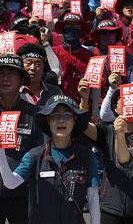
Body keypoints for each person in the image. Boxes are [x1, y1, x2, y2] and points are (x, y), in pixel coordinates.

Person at [0, 94, 100, 224]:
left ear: (75, 120)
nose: (61, 120)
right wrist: (1, 150)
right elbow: (11, 183)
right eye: (55, 115)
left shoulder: (86, 156)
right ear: (48, 120)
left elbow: (93, 198)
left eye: (67, 115)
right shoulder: (34, 156)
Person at [82, 83, 133, 224]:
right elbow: (82, 126)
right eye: (124, 99)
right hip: (110, 208)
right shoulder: (107, 132)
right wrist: (84, 100)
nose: (130, 102)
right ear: (115, 108)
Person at [0, 53, 45, 223]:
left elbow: (40, 155)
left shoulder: (35, 115)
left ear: (21, 81)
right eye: (1, 74)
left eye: (10, 74)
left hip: (23, 196)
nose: (5, 78)